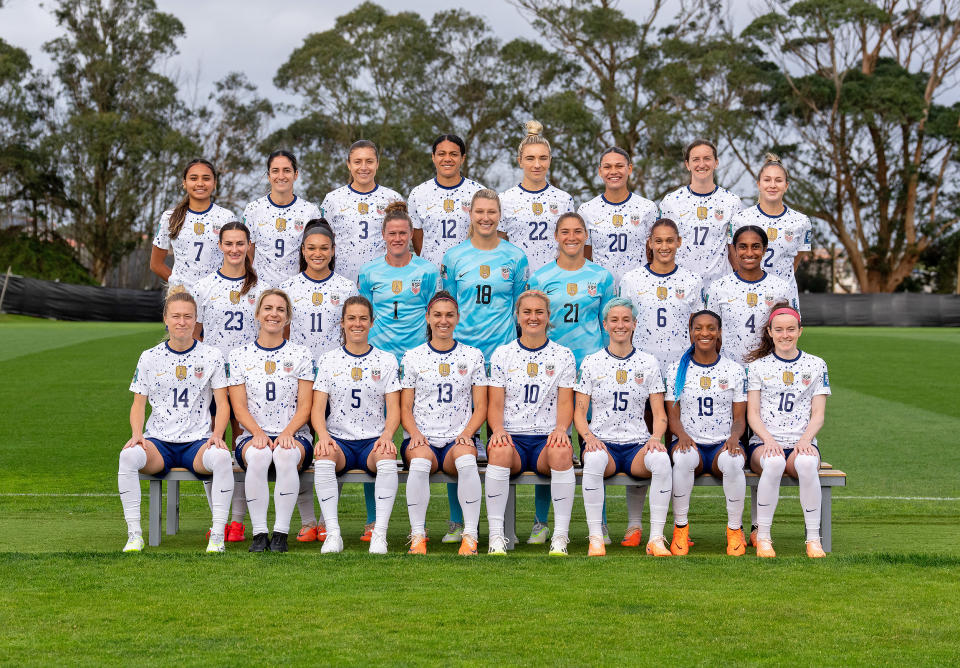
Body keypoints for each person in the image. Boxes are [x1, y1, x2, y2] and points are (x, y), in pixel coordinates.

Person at [440, 189, 529, 542]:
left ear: (499, 214)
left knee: (500, 440)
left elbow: (521, 307)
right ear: (470, 213)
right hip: (463, 358)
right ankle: (457, 522)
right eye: (480, 211)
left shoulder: (516, 257)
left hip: (503, 358)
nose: (486, 218)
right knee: (456, 433)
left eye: (492, 212)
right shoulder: (454, 256)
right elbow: (447, 305)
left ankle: (503, 528)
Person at [117, 291, 233, 553]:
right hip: (159, 443)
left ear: (196, 320)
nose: (182, 322)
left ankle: (217, 536)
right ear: (166, 319)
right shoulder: (149, 357)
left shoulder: (211, 355)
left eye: (188, 316)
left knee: (223, 458)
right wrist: (137, 434)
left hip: (197, 444)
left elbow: (223, 403)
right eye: (176, 316)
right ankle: (134, 535)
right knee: (127, 457)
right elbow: (138, 403)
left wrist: (217, 434)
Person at [527, 211, 615, 545]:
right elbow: (534, 321)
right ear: (556, 236)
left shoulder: (602, 277)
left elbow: (608, 325)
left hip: (591, 369)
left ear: (586, 235)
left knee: (595, 443)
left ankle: (601, 523)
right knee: (553, 441)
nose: (572, 237)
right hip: (552, 372)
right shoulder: (543, 276)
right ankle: (540, 522)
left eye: (578, 231)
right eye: (565, 232)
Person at [615, 218, 704, 546]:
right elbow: (623, 324)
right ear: (649, 243)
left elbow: (699, 328)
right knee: (645, 447)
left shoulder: (692, 281)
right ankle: (635, 525)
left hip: (681, 377)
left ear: (679, 242)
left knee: (678, 452)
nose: (664, 246)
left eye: (670, 240)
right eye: (658, 241)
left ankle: (680, 525)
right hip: (643, 374)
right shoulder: (632, 279)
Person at [279, 220, 358, 543]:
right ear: (302, 251)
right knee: (302, 450)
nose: (318, 253)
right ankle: (308, 520)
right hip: (297, 379)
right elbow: (283, 334)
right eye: (311, 248)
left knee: (329, 445)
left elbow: (352, 332)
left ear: (333, 251)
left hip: (334, 377)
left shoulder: (345, 288)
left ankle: (327, 519)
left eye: (324, 248)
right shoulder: (289, 287)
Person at [574, 297, 670, 557]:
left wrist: (656, 437)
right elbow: (580, 412)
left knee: (661, 460)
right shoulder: (592, 362)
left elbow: (660, 414)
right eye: (614, 320)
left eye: (626, 320)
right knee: (593, 460)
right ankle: (595, 537)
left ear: (635, 324)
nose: (620, 325)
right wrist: (588, 437)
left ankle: (656, 539)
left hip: (637, 444)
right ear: (605, 325)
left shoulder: (648, 362)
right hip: (604, 443)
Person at [485, 290, 577, 556]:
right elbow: (496, 404)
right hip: (513, 437)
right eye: (527, 312)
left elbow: (565, 402)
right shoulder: (503, 354)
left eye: (539, 312)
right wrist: (498, 430)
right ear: (518, 316)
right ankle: (496, 537)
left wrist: (561, 429)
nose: (533, 317)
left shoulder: (563, 355)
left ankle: (559, 537)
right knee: (499, 450)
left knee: (561, 451)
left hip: (545, 439)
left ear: (548, 317)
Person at [311, 296, 402, 554]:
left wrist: (387, 435)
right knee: (324, 454)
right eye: (351, 318)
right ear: (342, 323)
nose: (357, 323)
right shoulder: (329, 360)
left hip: (372, 442)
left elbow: (393, 409)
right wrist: (323, 435)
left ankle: (379, 535)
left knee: (386, 456)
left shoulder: (386, 360)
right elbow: (317, 409)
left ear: (372, 323)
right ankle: (333, 533)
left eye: (363, 318)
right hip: (339, 441)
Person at [399, 291, 487, 556]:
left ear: (458, 318)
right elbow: (405, 406)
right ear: (428, 318)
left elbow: (481, 405)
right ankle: (417, 535)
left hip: (455, 439)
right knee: (421, 461)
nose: (443, 321)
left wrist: (467, 434)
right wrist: (414, 433)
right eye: (437, 315)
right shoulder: (413, 356)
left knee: (466, 460)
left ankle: (470, 535)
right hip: (422, 437)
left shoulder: (472, 355)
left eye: (449, 315)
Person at [192, 221, 264, 542]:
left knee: (242, 446)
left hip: (250, 378)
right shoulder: (204, 287)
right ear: (219, 246)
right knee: (214, 444)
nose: (235, 249)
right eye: (229, 243)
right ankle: (218, 519)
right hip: (214, 379)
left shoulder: (262, 287)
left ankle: (237, 520)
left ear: (249, 246)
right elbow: (196, 336)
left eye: (240, 243)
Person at [227, 289, 315, 553]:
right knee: (258, 455)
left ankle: (280, 533)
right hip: (252, 435)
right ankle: (259, 533)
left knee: (286, 455)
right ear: (257, 314)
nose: (273, 314)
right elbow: (238, 407)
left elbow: (306, 406)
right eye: (268, 308)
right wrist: (257, 433)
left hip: (295, 434)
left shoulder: (301, 354)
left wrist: (288, 433)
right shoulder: (239, 355)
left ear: (287, 318)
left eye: (280, 310)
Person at [745, 304, 830, 558]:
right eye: (779, 330)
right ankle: (763, 538)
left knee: (806, 463)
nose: (785, 335)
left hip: (801, 442)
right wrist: (768, 440)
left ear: (800, 331)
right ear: (770, 332)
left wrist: (805, 440)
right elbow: (753, 414)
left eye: (791, 329)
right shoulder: (758, 367)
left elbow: (819, 415)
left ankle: (814, 540)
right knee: (772, 463)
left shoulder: (816, 364)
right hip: (764, 443)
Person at [665, 310, 748, 557]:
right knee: (682, 458)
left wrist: (734, 438)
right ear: (690, 332)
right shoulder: (675, 370)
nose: (705, 333)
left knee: (733, 463)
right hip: (691, 443)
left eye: (711, 328)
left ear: (719, 332)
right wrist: (681, 434)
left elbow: (740, 418)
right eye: (698, 328)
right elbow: (672, 416)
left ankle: (735, 530)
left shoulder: (733, 370)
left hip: (722, 444)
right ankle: (681, 528)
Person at [358, 201, 440, 361]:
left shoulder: (428, 271)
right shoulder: (368, 271)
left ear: (411, 234)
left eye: (402, 233)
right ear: (383, 234)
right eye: (392, 233)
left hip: (417, 356)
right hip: (378, 355)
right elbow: (364, 316)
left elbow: (435, 316)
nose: (397, 238)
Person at [727, 154, 811, 304]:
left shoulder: (801, 221)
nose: (772, 185)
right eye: (767, 180)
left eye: (778, 180)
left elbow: (794, 263)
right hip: (748, 296)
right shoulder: (741, 219)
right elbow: (734, 260)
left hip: (784, 297)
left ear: (786, 186)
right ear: (759, 184)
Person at [705, 226, 795, 366]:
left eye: (755, 247)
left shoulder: (781, 288)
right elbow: (712, 334)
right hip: (730, 370)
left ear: (764, 249)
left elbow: (788, 333)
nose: (749, 252)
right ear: (734, 249)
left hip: (769, 370)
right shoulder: (718, 287)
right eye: (743, 247)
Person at [658, 139, 743, 287]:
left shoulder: (731, 201)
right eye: (696, 159)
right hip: (680, 286)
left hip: (719, 287)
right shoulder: (671, 202)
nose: (701, 164)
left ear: (716, 163)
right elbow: (660, 247)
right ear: (687, 164)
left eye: (707, 159)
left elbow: (734, 250)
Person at [320, 140, 405, 283]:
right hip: (343, 281)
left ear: (377, 163)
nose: (364, 167)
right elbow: (323, 242)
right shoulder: (333, 199)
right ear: (349, 164)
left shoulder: (392, 198)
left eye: (369, 161)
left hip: (383, 281)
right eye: (357, 162)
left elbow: (401, 241)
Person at [498, 120, 575, 272]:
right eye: (530, 158)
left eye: (543, 158)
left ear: (550, 160)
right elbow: (499, 248)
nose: (537, 164)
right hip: (518, 283)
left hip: (554, 282)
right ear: (520, 161)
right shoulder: (505, 199)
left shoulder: (564, 200)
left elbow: (570, 246)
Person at [150, 159, 236, 295]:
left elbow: (237, 260)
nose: (200, 183)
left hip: (216, 295)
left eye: (206, 178)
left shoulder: (226, 217)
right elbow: (156, 264)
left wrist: (223, 286)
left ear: (214, 184)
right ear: (184, 183)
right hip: (181, 298)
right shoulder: (169, 217)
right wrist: (178, 285)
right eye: (193, 178)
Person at [578, 147, 660, 287]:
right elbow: (585, 258)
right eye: (607, 167)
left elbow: (653, 254)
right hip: (602, 289)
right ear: (600, 171)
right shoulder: (587, 210)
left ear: (629, 169)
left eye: (619, 166)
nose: (614, 171)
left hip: (639, 288)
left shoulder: (647, 208)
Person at [243, 150, 322, 287]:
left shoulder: (310, 211)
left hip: (298, 290)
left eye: (286, 170)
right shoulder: (253, 209)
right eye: (275, 171)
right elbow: (248, 256)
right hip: (262, 291)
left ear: (295, 174)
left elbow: (315, 254)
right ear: (268, 176)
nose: (281, 176)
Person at [408, 134, 485, 267]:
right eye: (441, 154)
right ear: (433, 157)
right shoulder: (418, 193)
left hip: (468, 273)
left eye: (453, 154)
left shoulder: (479, 193)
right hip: (432, 275)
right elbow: (417, 238)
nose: (447, 159)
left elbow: (487, 235)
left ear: (463, 158)